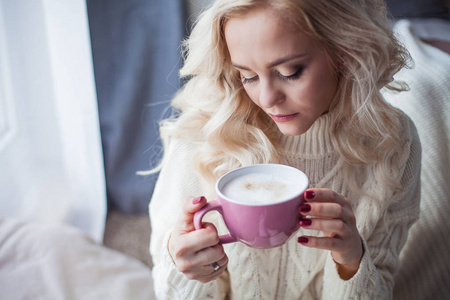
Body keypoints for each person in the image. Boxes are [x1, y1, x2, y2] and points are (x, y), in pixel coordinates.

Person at [148, 0, 421, 299]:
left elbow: (381, 287)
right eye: (247, 75)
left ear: (344, 52)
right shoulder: (204, 134)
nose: (266, 98)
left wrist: (351, 261)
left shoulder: (392, 142)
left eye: (290, 72)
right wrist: (184, 270)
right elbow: (168, 290)